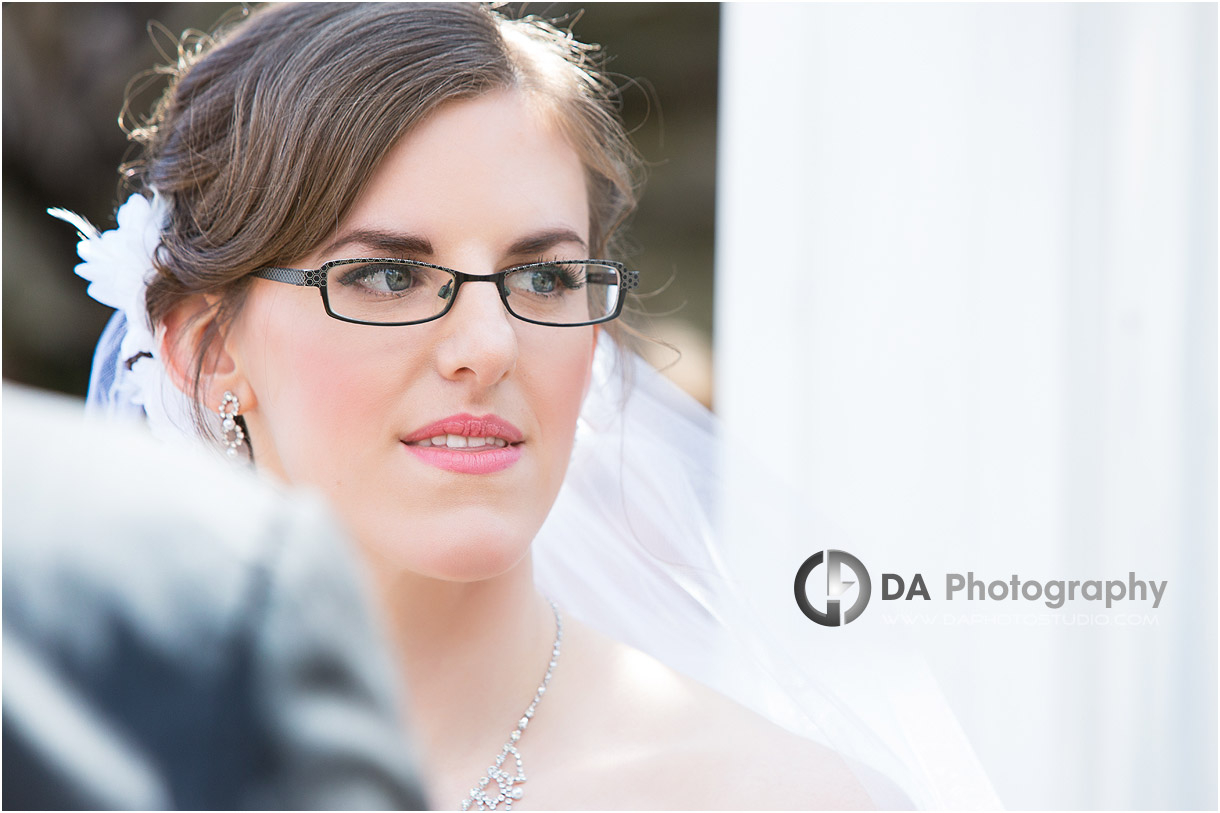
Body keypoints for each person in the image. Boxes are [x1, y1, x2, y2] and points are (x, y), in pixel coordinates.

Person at [50, 4, 995, 809]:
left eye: (542, 276)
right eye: (387, 273)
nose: (489, 346)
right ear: (206, 348)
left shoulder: (770, 795)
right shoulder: (71, 758)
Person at [2, 384, 429, 810]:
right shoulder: (239, 581)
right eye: (384, 308)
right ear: (202, 339)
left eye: (501, 311)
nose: (490, 350)